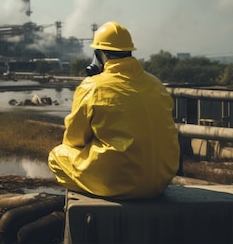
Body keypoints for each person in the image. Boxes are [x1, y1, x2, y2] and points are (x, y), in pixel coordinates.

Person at [48, 21, 179, 199]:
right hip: (160, 182)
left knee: (56, 156)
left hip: (117, 184)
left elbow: (74, 139)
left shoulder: (92, 87)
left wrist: (93, 81)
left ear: (99, 55)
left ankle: (93, 190)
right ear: (130, 52)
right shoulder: (155, 84)